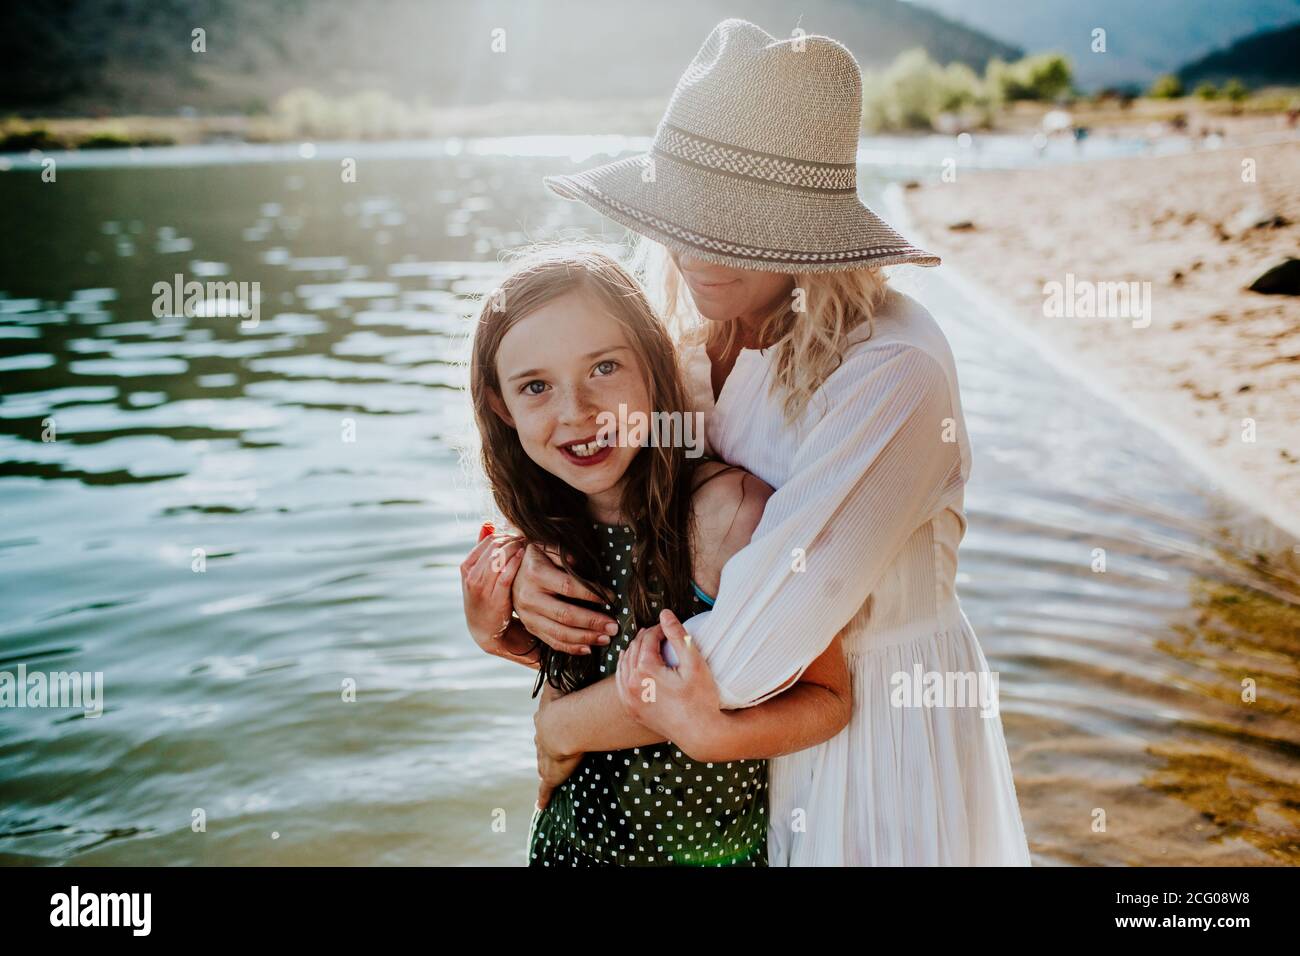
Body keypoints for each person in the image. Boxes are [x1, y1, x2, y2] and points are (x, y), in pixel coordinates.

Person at [472, 19, 1032, 865]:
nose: (696, 250)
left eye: (735, 222)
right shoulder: (690, 341)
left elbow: (746, 647)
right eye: (682, 215)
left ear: (811, 225)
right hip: (718, 763)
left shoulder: (893, 371)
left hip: (867, 735)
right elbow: (632, 534)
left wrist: (563, 726)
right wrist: (516, 589)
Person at [461, 244, 851, 866]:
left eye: (604, 368)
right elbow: (592, 667)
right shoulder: (550, 529)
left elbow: (831, 698)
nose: (577, 412)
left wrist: (715, 735)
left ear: (653, 360)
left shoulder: (728, 517)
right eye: (536, 386)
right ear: (501, 406)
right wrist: (498, 631)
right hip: (566, 850)